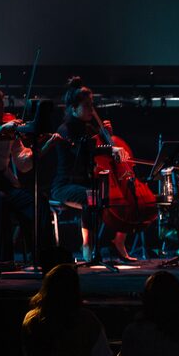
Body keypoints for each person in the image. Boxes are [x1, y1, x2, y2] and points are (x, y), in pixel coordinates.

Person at [0, 86, 55, 264]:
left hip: (3, 183)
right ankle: (3, 261)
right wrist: (0, 130)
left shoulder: (8, 130)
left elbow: (23, 164)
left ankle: (43, 257)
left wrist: (41, 148)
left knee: (37, 202)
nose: (3, 111)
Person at [50, 76, 136, 262]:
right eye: (87, 105)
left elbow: (100, 154)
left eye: (92, 104)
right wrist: (110, 146)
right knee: (93, 198)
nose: (92, 109)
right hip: (65, 185)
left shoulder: (89, 128)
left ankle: (118, 242)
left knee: (125, 196)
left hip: (88, 183)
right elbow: (83, 151)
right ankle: (87, 246)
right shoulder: (65, 130)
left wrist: (108, 137)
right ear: (74, 109)